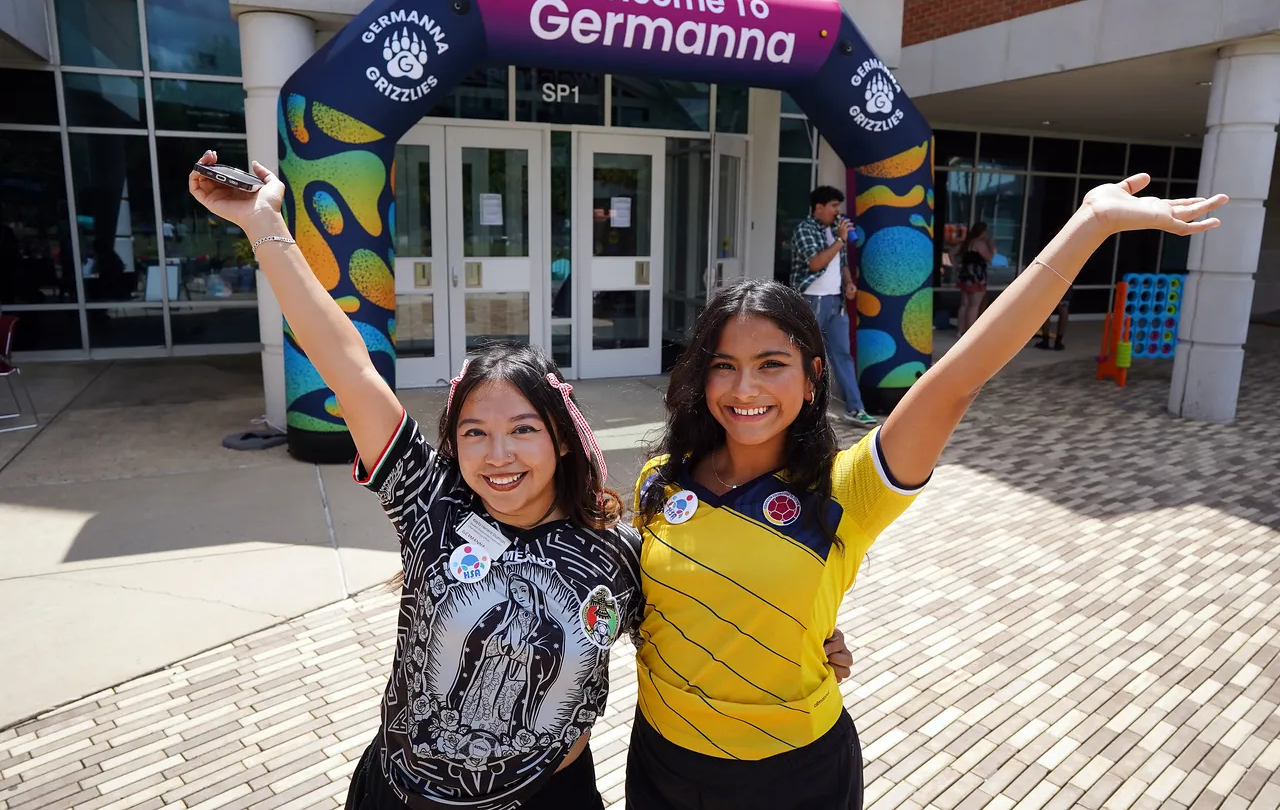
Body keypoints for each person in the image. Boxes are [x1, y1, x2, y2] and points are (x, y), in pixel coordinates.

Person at [188, 151, 857, 809]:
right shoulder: (432, 503)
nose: (498, 454)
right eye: (475, 432)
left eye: (523, 429)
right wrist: (265, 226)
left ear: (563, 440)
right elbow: (347, 363)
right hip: (406, 794)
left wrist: (807, 638)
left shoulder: (618, 553)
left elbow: (708, 607)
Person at [627, 174, 1227, 810]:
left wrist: (1089, 226)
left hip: (792, 773)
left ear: (811, 378)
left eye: (772, 364)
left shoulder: (847, 488)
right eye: (725, 366)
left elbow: (956, 379)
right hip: (661, 756)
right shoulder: (660, 478)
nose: (745, 388)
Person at [788, 185, 876, 426]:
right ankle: (799, 408)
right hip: (811, 300)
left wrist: (849, 284)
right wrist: (839, 239)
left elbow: (843, 264)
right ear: (819, 207)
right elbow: (815, 263)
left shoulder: (835, 233)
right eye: (834, 206)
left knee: (842, 355)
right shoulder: (805, 229)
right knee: (805, 355)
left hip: (836, 302)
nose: (838, 211)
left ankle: (855, 408)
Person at [954, 221, 994, 336]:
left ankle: (960, 330)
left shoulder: (966, 243)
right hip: (976, 275)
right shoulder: (979, 243)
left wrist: (956, 266)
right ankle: (969, 332)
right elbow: (989, 257)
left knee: (964, 304)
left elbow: (951, 253)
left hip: (965, 274)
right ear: (983, 232)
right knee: (974, 305)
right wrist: (991, 246)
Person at [1035, 285, 1072, 350]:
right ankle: (1058, 342)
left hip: (1051, 280)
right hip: (1065, 280)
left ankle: (1045, 340)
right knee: (1063, 307)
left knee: (1046, 308)